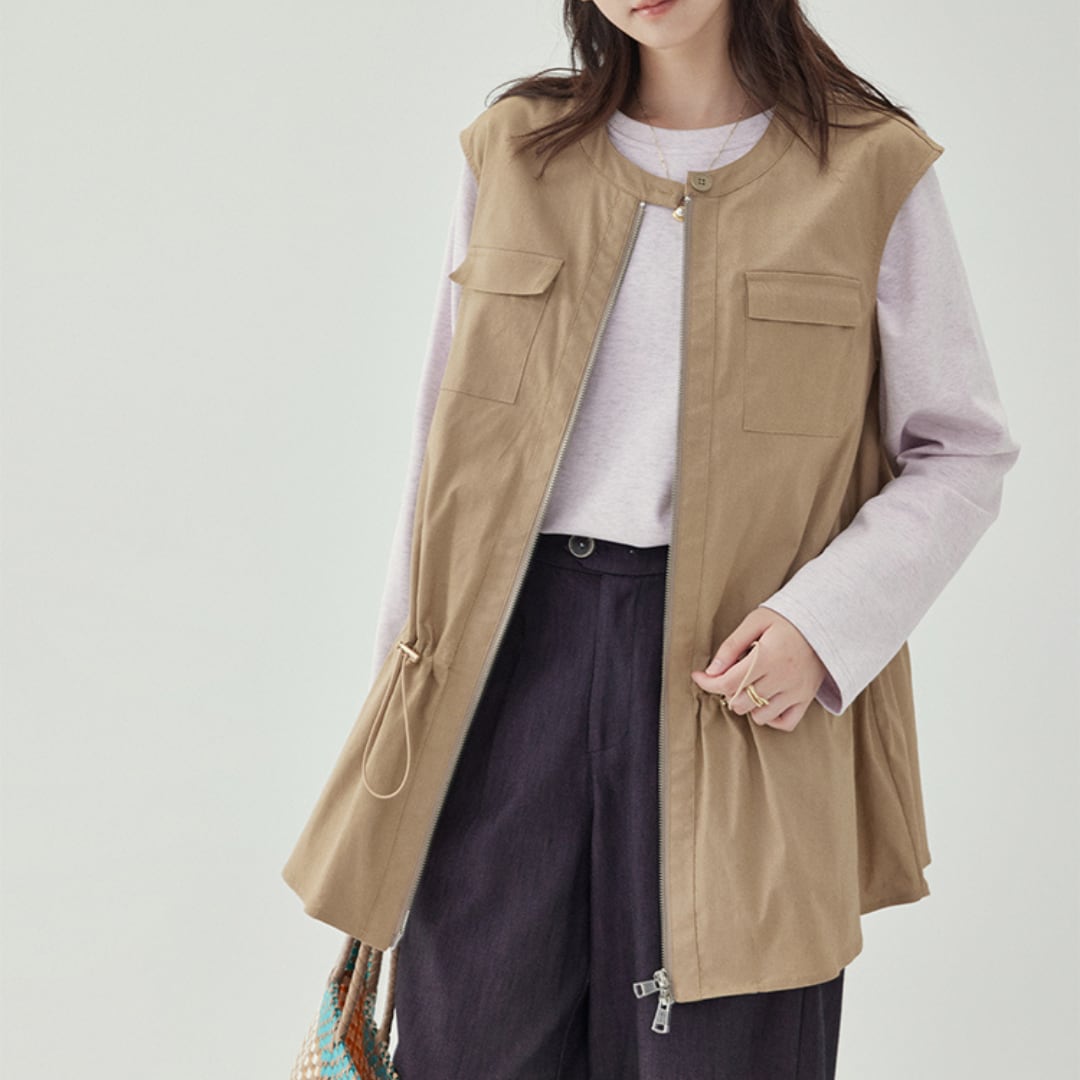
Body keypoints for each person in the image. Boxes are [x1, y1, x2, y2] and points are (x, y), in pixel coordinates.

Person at [282, 0, 1021, 1076]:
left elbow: (961, 450)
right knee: (471, 1039)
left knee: (722, 1045)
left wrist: (823, 626)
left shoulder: (869, 166)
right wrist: (401, 715)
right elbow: (441, 452)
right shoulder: (515, 151)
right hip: (506, 676)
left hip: (742, 686)